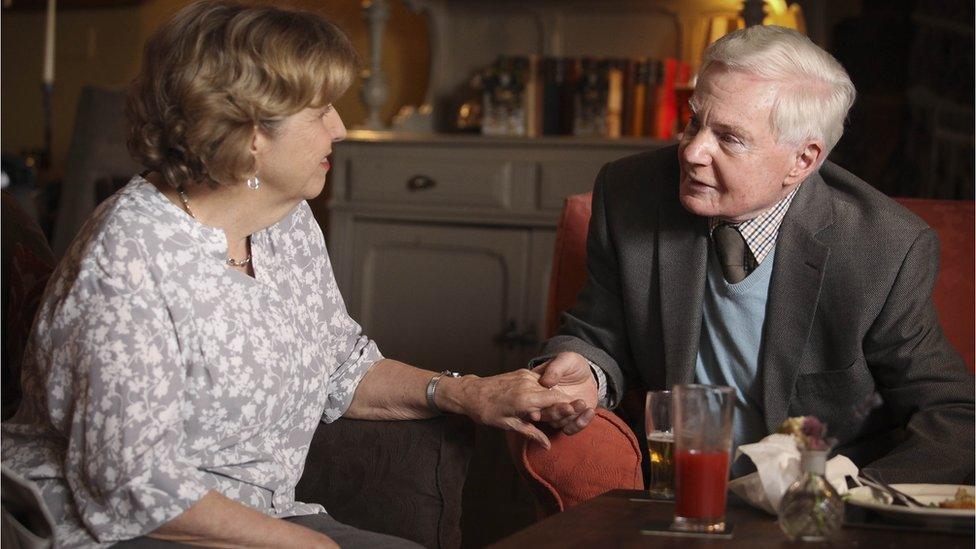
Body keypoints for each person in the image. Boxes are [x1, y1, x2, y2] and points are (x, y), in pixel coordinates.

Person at [0, 2, 586, 547]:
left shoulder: (284, 220)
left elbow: (341, 368)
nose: (339, 129)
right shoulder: (128, 257)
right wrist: (309, 543)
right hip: (111, 531)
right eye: (320, 110)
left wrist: (469, 392)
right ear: (252, 133)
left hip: (265, 517)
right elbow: (129, 486)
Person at [530, 25, 975, 482]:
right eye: (694, 122)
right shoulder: (629, 193)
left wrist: (860, 498)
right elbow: (599, 331)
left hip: (813, 504)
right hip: (676, 482)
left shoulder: (883, 247)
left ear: (802, 160)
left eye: (729, 138)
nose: (693, 151)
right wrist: (584, 370)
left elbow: (954, 411)